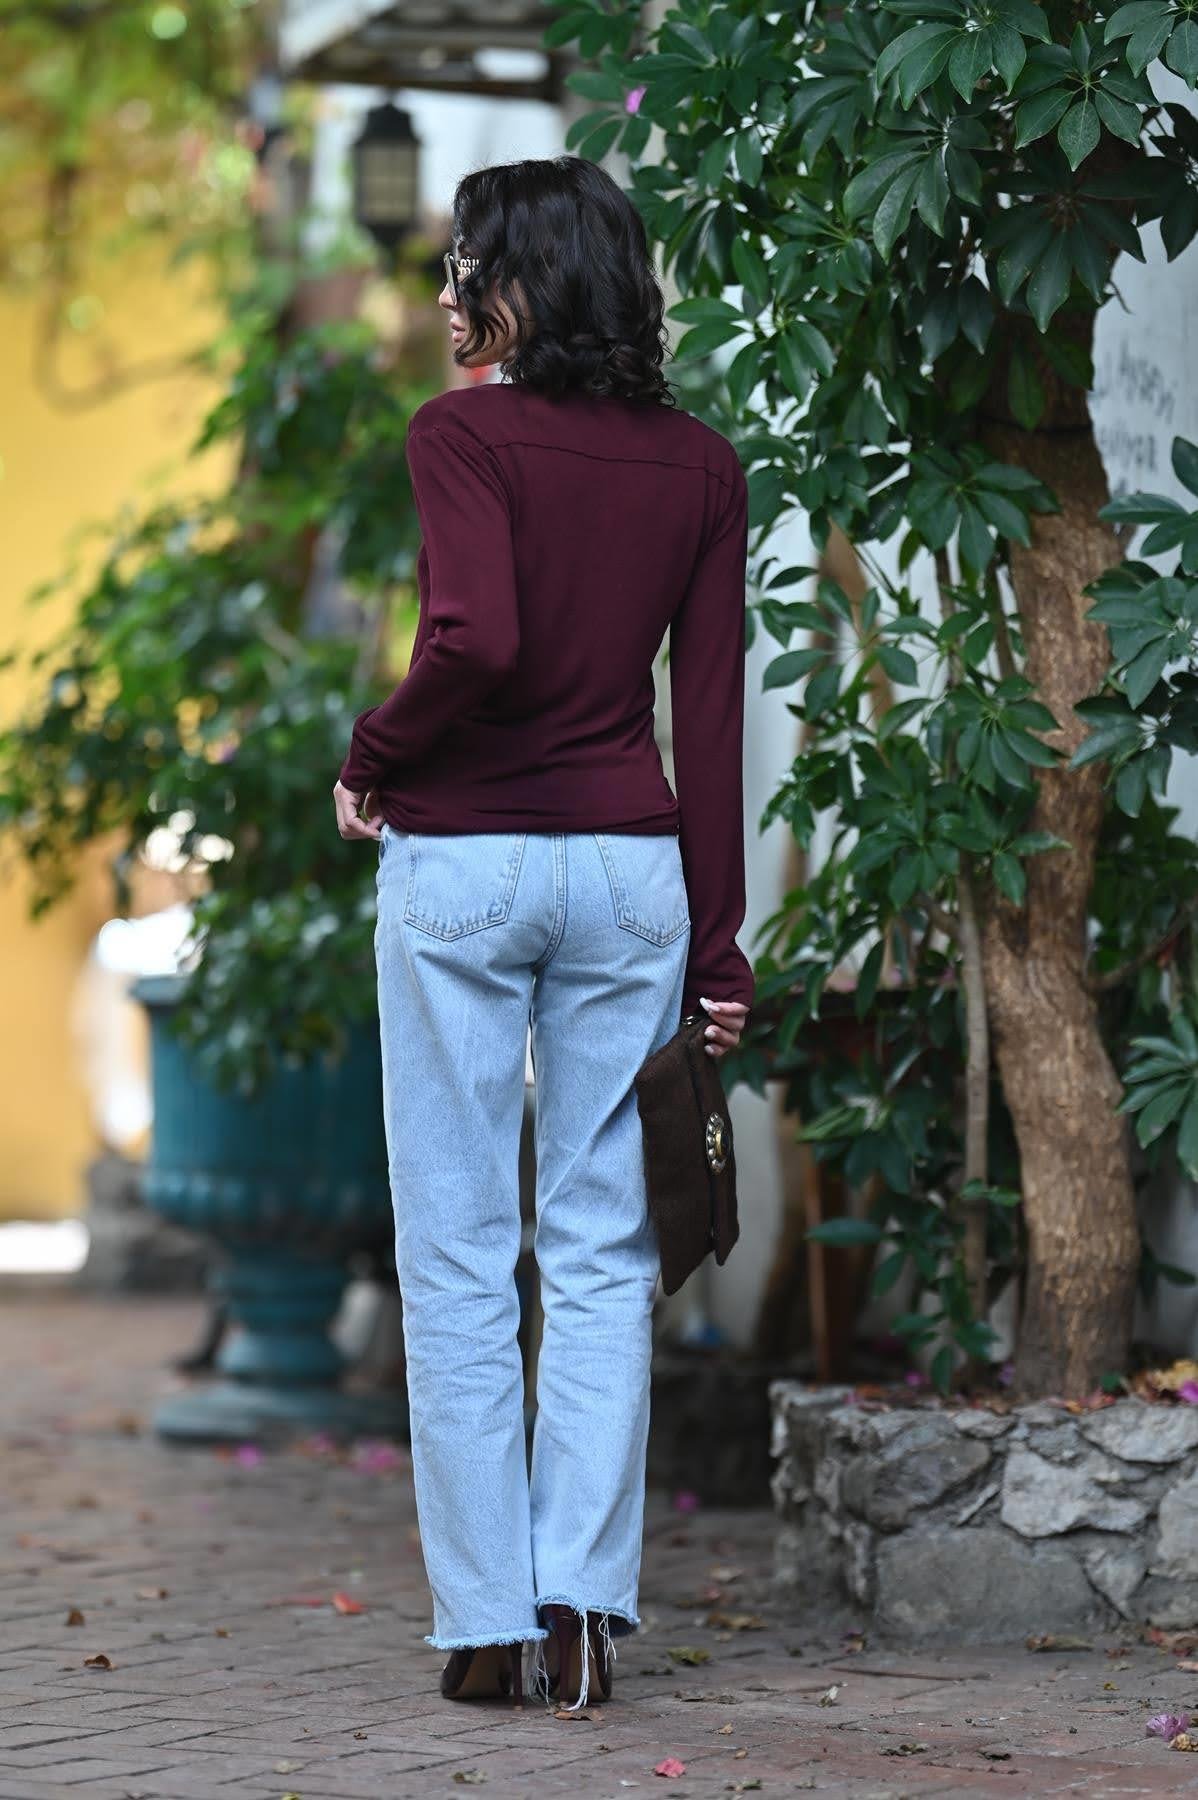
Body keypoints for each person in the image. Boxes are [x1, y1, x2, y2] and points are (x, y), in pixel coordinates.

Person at [332, 154, 753, 1713]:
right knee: (598, 1248)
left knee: (454, 1250)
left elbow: (474, 638)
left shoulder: (459, 435)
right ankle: (580, 1612)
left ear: (519, 281)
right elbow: (708, 719)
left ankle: (483, 1625)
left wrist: (373, 753)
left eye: (464, 261)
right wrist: (719, 948)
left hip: (466, 864)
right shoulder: (699, 466)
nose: (446, 288)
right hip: (629, 873)